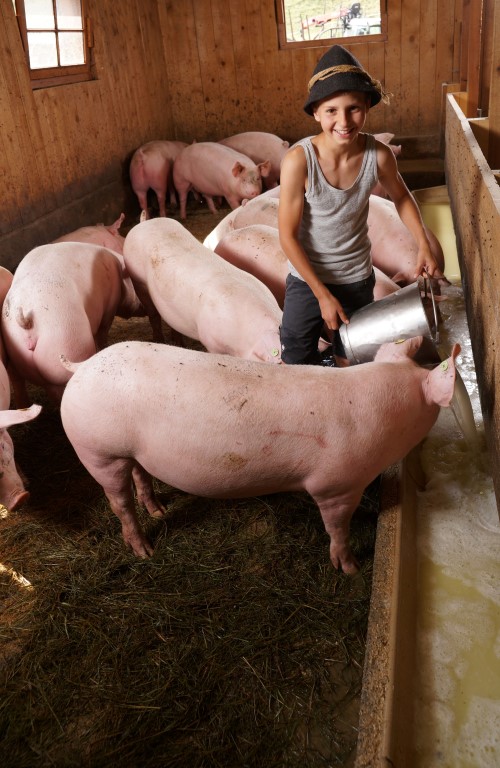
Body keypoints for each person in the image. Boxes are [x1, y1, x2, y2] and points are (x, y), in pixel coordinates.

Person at [278, 44, 444, 366]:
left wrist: (423, 244)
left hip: (356, 277)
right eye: (331, 111)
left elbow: (402, 197)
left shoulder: (378, 155)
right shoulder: (299, 161)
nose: (343, 121)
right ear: (315, 112)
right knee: (296, 359)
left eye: (353, 108)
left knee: (351, 357)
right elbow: (287, 236)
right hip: (307, 279)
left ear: (367, 106)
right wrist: (322, 294)